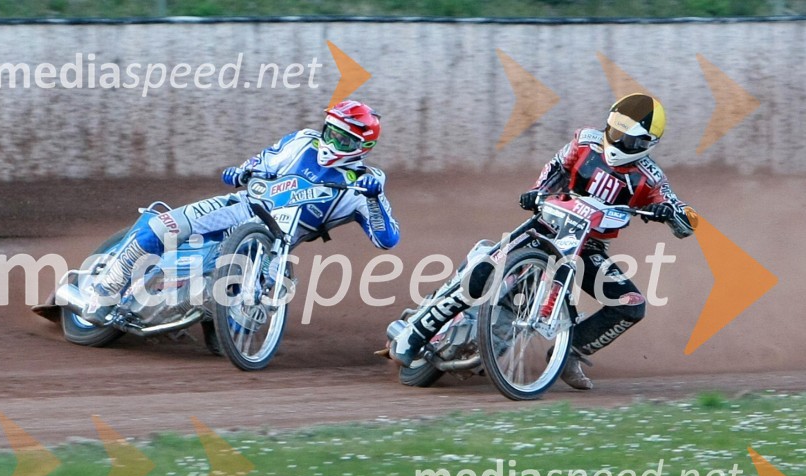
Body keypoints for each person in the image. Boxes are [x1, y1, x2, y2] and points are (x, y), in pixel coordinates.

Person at [389, 93, 697, 390]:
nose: (616, 140)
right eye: (615, 129)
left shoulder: (651, 176)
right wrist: (538, 190)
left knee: (632, 305)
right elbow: (557, 166)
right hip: (547, 225)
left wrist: (672, 213)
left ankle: (569, 353)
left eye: (627, 138)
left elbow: (683, 216)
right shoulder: (585, 141)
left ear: (646, 144)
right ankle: (416, 333)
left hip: (588, 247)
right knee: (483, 272)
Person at [83, 99, 399, 324]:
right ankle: (104, 290)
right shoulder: (302, 142)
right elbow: (260, 162)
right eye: (331, 132)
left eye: (343, 139)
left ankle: (211, 317)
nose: (332, 141)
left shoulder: (366, 183)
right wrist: (240, 172)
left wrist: (374, 198)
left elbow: (387, 240)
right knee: (164, 227)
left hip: (278, 242)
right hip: (242, 207)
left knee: (247, 314)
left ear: (362, 147)